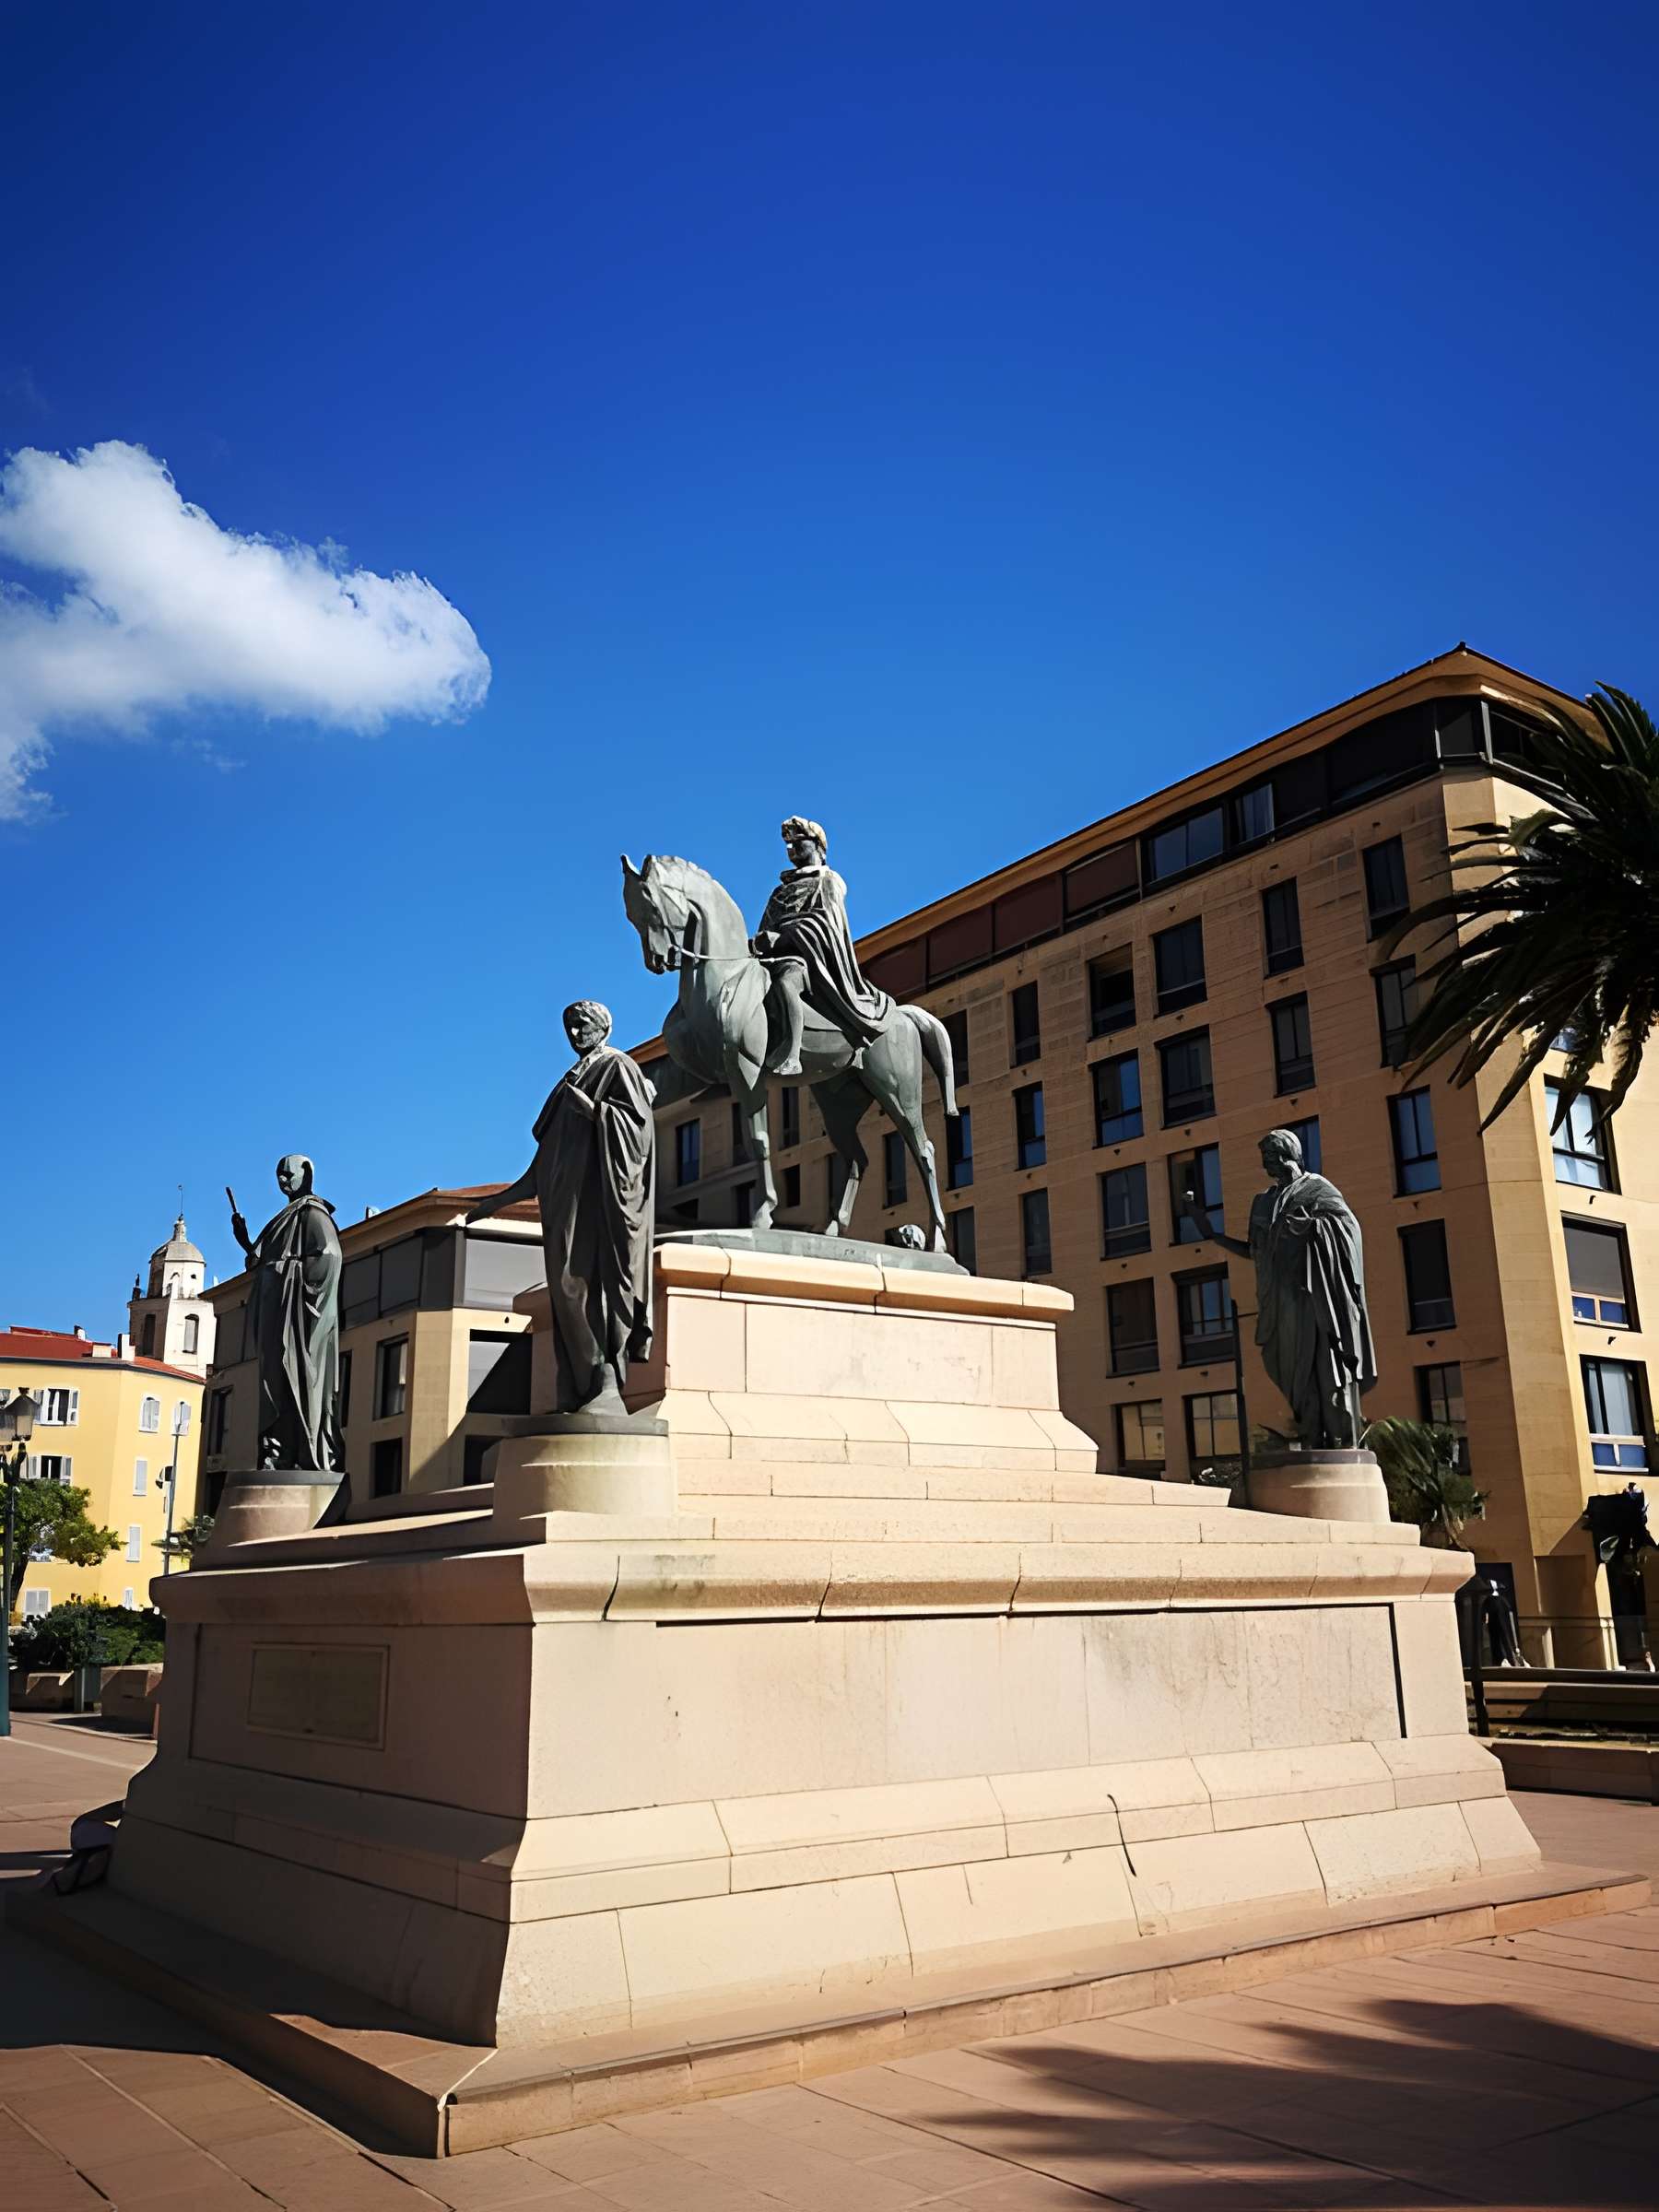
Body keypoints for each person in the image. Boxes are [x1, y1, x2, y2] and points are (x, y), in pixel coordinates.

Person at [467, 1002, 655, 1415]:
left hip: (596, 1206)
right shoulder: (567, 1081)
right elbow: (544, 1161)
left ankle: (605, 1381)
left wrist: (593, 1111)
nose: (574, 1034)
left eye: (581, 1026)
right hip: (560, 1209)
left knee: (585, 1287)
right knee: (565, 1291)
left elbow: (637, 1132)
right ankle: (579, 1387)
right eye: (568, 1027)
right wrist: (498, 1201)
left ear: (602, 1027)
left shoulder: (617, 1067)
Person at [1183, 1126, 1377, 1449]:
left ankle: (1340, 1440)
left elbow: (1348, 1230)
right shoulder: (1262, 1202)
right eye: (1264, 1158)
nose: (1266, 1165)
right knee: (1293, 1374)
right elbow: (1253, 1251)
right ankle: (1311, 1435)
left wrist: (1312, 1228)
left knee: (1326, 1368)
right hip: (1281, 1302)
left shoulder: (1317, 1190)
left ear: (1289, 1157)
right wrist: (1210, 1233)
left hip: (1316, 1298)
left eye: (1270, 1157)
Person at [229, 1156, 344, 1472]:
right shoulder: (285, 1219)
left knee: (294, 1380)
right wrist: (247, 1244)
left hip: (298, 1320)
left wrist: (285, 1273)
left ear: (306, 1174)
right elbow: (260, 1264)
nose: (282, 1181)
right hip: (277, 1315)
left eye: (287, 1174)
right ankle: (276, 1453)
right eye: (278, 1176)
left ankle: (299, 1453)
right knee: (273, 1384)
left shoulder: (312, 1214)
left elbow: (329, 1256)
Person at [752, 817, 891, 1074]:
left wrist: (783, 939)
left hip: (805, 960)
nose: (790, 848)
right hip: (771, 959)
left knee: (786, 982)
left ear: (817, 845)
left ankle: (792, 1054)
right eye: (787, 843)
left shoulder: (827, 881)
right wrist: (758, 942)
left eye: (797, 841)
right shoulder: (779, 892)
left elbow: (827, 925)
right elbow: (766, 928)